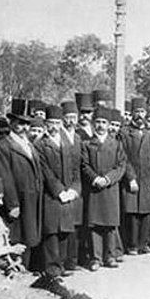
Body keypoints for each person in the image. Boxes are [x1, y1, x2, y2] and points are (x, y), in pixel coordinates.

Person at [0, 98, 44, 270]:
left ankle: (26, 271)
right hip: (18, 201)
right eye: (20, 123)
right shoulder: (4, 145)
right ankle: (17, 271)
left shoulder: (29, 144)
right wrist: (12, 204)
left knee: (29, 237)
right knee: (18, 238)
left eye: (27, 123)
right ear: (11, 122)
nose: (24, 127)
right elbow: (4, 175)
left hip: (32, 198)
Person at [34, 105, 81, 279]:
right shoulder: (40, 144)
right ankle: (52, 268)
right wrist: (59, 191)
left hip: (69, 192)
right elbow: (45, 171)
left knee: (64, 231)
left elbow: (76, 168)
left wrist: (75, 189)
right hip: (51, 195)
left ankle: (61, 264)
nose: (53, 126)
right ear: (45, 124)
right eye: (50, 123)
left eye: (56, 123)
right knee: (52, 231)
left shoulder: (67, 142)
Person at [81, 107, 126, 271]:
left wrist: (108, 179)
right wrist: (95, 178)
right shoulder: (87, 144)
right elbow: (84, 165)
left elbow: (121, 166)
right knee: (95, 224)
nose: (100, 126)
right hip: (94, 189)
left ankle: (110, 255)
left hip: (110, 189)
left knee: (110, 223)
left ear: (108, 125)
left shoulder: (116, 144)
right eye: (98, 122)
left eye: (103, 122)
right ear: (93, 124)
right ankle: (95, 258)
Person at [120, 98, 150, 255]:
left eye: (142, 112)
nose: (139, 115)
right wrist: (130, 178)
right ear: (132, 114)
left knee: (145, 211)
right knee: (132, 212)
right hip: (131, 177)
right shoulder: (124, 133)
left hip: (146, 178)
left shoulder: (149, 134)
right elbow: (123, 157)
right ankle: (131, 245)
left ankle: (143, 244)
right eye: (136, 112)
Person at [60, 101, 85, 272]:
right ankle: (62, 262)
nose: (70, 121)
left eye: (73, 118)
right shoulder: (59, 136)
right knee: (63, 226)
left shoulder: (78, 137)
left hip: (76, 187)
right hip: (62, 188)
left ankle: (72, 261)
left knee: (76, 225)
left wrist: (76, 189)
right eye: (67, 117)